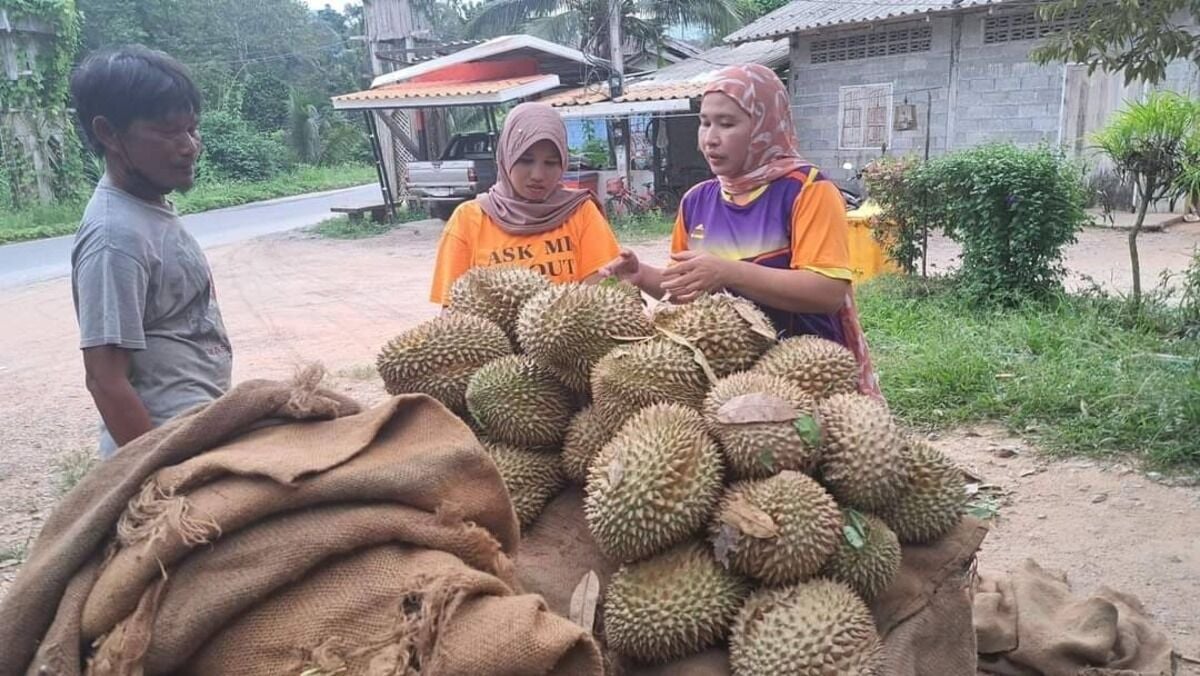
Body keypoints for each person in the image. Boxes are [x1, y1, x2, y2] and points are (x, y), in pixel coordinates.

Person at [599, 64, 880, 396]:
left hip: (809, 379)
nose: (710, 139)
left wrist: (727, 272)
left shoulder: (806, 189)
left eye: (727, 124)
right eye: (704, 123)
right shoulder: (696, 201)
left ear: (765, 125)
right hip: (725, 383)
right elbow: (685, 293)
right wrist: (642, 274)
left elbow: (828, 292)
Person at [69, 46, 232, 459]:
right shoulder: (114, 236)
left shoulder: (148, 209)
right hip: (169, 449)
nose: (189, 146)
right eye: (167, 132)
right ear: (108, 133)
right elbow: (105, 379)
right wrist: (162, 476)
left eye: (192, 129)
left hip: (198, 433)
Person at [429, 103, 621, 304]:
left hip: (567, 333)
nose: (538, 175)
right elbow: (452, 314)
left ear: (564, 162)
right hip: (495, 336)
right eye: (526, 160)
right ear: (506, 157)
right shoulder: (468, 219)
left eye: (551, 163)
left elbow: (602, 295)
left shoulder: (581, 212)